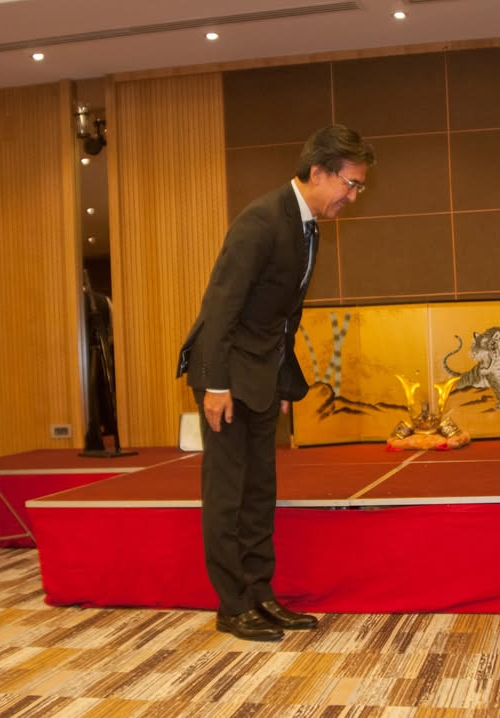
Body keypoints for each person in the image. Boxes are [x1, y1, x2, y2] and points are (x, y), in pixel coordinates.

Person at [176, 125, 375, 641]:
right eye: (350, 184)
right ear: (318, 172)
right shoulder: (261, 220)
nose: (353, 197)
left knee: (260, 490)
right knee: (228, 491)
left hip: (262, 372)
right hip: (226, 372)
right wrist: (215, 383)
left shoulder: (308, 227)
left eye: (359, 187)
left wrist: (282, 381)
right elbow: (221, 304)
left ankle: (261, 595)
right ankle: (233, 604)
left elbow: (285, 316)